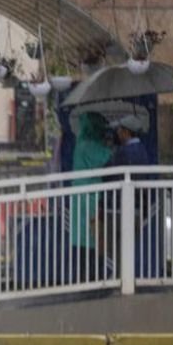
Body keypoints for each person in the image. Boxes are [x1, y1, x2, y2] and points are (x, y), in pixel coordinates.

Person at [70, 113, 111, 279]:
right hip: (91, 200)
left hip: (79, 199)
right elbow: (109, 158)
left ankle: (82, 279)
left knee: (80, 240)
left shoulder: (80, 144)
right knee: (94, 238)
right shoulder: (91, 146)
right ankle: (95, 279)